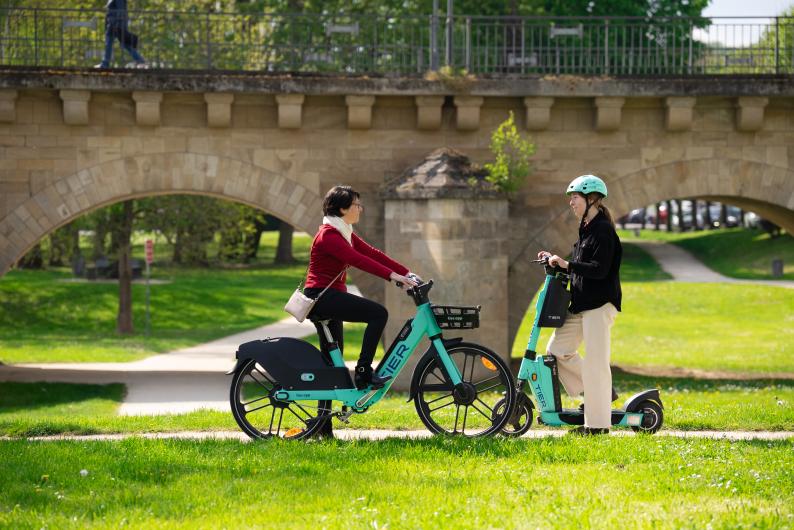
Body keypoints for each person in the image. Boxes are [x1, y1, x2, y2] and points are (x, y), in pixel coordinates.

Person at [304, 185, 418, 394]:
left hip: (329, 296)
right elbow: (358, 260)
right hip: (322, 296)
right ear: (342, 209)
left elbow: (371, 253)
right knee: (378, 314)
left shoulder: (343, 231)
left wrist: (406, 273)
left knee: (332, 364)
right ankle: (364, 372)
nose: (360, 208)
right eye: (356, 204)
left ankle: (323, 423)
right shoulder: (329, 236)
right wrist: (392, 277)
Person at [537, 174, 622, 436]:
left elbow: (599, 270)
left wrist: (569, 264)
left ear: (591, 199)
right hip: (581, 304)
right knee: (557, 350)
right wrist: (555, 260)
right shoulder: (585, 230)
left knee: (597, 363)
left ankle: (597, 426)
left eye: (574, 197)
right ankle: (602, 393)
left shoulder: (604, 231)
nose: (571, 203)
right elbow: (578, 268)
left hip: (599, 305)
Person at [95, 0, 146, 69]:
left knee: (111, 43)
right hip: (113, 24)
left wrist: (117, 25)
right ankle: (140, 60)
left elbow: (121, 10)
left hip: (116, 24)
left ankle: (105, 63)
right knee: (123, 44)